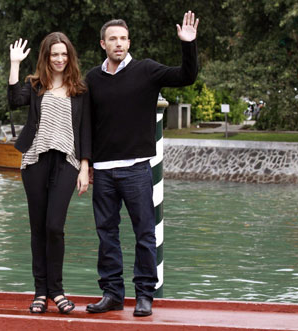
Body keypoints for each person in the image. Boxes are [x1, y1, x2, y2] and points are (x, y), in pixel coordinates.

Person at [85, 11, 199, 317]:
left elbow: (186, 76)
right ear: (103, 44)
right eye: (113, 39)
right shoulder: (92, 79)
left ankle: (145, 295)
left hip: (136, 169)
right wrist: (88, 163)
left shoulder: (147, 70)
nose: (118, 44)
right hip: (104, 172)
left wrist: (188, 45)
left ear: (128, 41)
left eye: (123, 38)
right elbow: (86, 123)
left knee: (145, 234)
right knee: (106, 234)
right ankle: (112, 294)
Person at [7, 32, 91, 314]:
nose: (59, 59)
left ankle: (57, 290)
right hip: (35, 160)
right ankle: (40, 292)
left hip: (67, 161)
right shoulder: (35, 86)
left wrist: (84, 166)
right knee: (38, 228)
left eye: (64, 54)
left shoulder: (79, 88)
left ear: (70, 57)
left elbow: (85, 130)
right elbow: (13, 99)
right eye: (54, 54)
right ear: (46, 56)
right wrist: (15, 64)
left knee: (55, 227)